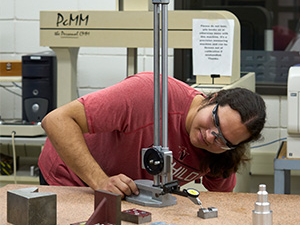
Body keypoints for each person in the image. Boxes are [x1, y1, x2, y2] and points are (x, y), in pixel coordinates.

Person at [38, 71, 266, 197]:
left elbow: (223, 201)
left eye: (223, 140)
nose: (210, 136)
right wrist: (99, 181)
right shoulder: (150, 94)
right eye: (213, 121)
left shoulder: (223, 154)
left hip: (125, 197)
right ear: (213, 98)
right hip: (71, 180)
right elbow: (56, 120)